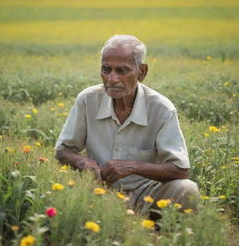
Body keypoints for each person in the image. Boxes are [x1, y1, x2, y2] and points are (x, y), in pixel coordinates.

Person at [55, 35, 199, 215]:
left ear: (142, 72)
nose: (111, 78)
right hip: (97, 190)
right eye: (106, 69)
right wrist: (81, 161)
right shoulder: (88, 99)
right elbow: (63, 150)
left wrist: (132, 166)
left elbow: (180, 170)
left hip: (147, 194)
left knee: (187, 190)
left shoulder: (161, 108)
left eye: (122, 70)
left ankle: (156, 230)